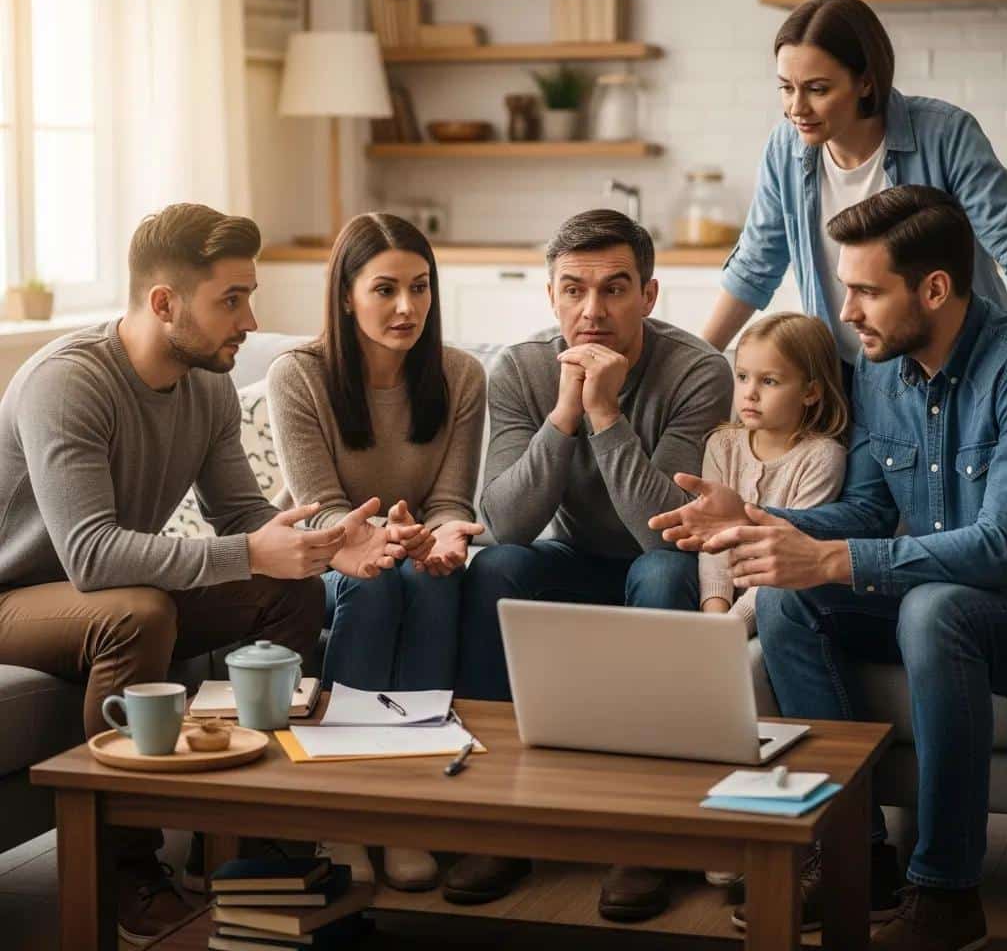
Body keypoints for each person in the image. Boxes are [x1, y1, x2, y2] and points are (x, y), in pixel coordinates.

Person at [0, 203, 422, 946]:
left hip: (105, 594)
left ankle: (242, 837)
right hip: (16, 599)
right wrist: (251, 551)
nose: (251, 319)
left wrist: (329, 547)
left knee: (285, 589)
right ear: (164, 304)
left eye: (249, 296)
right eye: (232, 299)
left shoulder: (206, 387)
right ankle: (124, 869)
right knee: (136, 613)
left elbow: (243, 519)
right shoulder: (68, 383)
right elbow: (92, 557)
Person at [652, 185, 1007, 950]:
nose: (846, 311)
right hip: (936, 597)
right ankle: (861, 858)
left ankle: (949, 892)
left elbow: (1003, 545)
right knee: (792, 600)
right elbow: (858, 513)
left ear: (935, 289)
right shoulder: (881, 369)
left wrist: (835, 558)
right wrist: (756, 519)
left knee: (935, 606)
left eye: (865, 291)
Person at [449, 208, 733, 921]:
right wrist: (565, 411)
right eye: (573, 289)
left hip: (651, 560)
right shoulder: (518, 367)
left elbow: (664, 532)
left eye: (614, 289)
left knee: (667, 575)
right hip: (571, 559)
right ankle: (498, 819)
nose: (592, 310)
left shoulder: (698, 370)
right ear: (551, 296)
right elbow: (506, 524)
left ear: (650, 295)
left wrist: (606, 415)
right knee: (497, 570)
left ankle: (644, 835)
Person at [267, 213, 486, 893]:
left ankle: (409, 810)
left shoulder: (462, 374)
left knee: (429, 579)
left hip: (409, 548)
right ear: (345, 294)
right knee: (377, 585)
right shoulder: (297, 375)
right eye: (385, 289)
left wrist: (444, 534)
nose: (406, 307)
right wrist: (373, 538)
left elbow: (451, 501)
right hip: (326, 555)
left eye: (420, 288)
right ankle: (343, 809)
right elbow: (318, 505)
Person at [701, 0, 1007, 364]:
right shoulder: (784, 149)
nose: (796, 108)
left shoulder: (944, 134)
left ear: (866, 83)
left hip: (965, 366)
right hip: (853, 377)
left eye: (817, 89)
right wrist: (693, 367)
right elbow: (754, 268)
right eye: (786, 88)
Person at [699, 311, 848, 642]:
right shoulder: (721, 445)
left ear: (810, 392)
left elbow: (783, 558)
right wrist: (714, 622)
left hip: (775, 604)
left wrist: (734, 627)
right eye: (742, 377)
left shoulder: (822, 457)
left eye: (769, 381)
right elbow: (713, 546)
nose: (750, 393)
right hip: (719, 612)